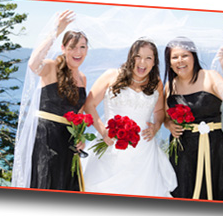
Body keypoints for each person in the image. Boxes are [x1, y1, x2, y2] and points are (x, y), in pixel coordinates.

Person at [82, 38, 177, 197]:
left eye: (148, 58)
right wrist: (103, 130)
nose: (142, 62)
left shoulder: (156, 83)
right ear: (130, 57)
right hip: (110, 145)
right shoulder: (111, 76)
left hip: (144, 153)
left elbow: (160, 111)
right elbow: (89, 105)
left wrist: (156, 126)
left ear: (154, 62)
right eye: (138, 56)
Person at [163, 36, 223, 201]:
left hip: (213, 147)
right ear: (169, 62)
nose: (180, 60)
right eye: (174, 57)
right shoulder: (169, 86)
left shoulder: (210, 76)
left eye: (185, 55)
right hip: (182, 151)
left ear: (193, 56)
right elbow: (166, 117)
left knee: (217, 189)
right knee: (183, 191)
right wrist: (169, 125)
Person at [12, 10, 89, 191]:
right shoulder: (51, 67)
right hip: (46, 137)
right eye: (72, 47)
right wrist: (56, 31)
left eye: (83, 47)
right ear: (63, 48)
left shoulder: (83, 78)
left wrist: (81, 137)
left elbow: (79, 113)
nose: (78, 52)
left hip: (68, 140)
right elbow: (33, 64)